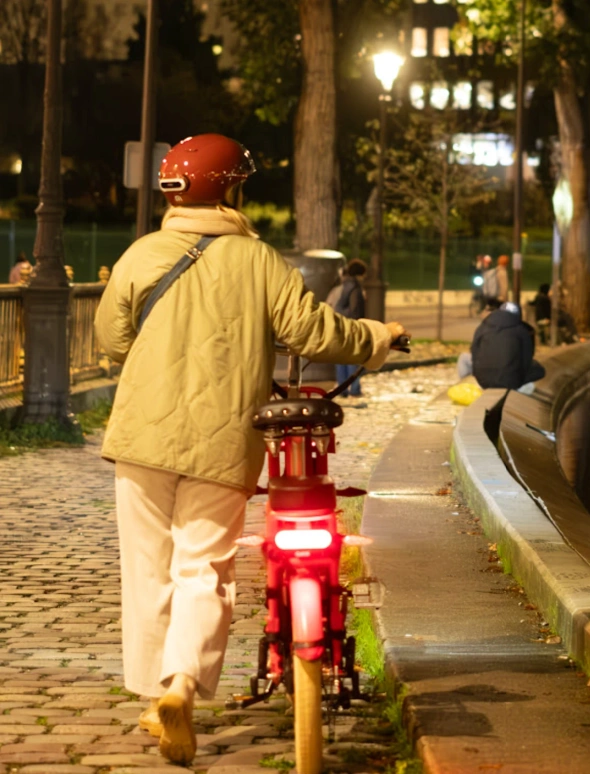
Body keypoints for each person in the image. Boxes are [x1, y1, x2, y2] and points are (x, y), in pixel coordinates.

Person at [94, 134, 408, 767]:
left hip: (141, 438)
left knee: (148, 571)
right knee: (202, 569)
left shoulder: (140, 255)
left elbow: (111, 339)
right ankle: (182, 684)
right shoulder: (259, 260)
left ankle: (157, 695)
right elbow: (312, 331)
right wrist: (378, 335)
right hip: (221, 441)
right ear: (232, 191)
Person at [471, 302, 545, 393]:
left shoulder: (482, 327)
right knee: (539, 370)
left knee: (464, 358)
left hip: (483, 381)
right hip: (509, 381)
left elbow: (474, 352)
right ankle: (520, 390)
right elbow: (527, 359)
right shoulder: (521, 330)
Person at [334, 259, 368, 399]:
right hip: (351, 326)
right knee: (354, 357)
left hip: (340, 325)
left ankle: (342, 388)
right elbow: (354, 309)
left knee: (341, 358)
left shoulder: (344, 285)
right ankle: (354, 388)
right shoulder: (354, 287)